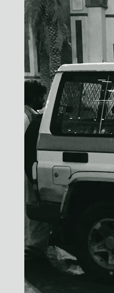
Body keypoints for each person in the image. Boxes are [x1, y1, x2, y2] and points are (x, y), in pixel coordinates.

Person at [25, 80, 52, 261]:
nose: (44, 100)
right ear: (33, 97)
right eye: (42, 96)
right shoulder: (25, 117)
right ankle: (32, 250)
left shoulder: (29, 114)